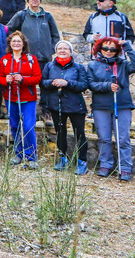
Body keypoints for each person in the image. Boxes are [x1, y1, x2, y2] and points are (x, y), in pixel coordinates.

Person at [86, 37, 135, 181]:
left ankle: (125, 167)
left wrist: (128, 47)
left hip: (122, 105)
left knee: (123, 138)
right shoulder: (93, 65)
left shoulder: (123, 64)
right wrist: (107, 86)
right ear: (100, 49)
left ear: (117, 51)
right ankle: (105, 164)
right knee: (104, 138)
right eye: (105, 48)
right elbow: (90, 84)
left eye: (113, 49)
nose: (109, 52)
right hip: (101, 106)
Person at [7, 0, 60, 127]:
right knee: (26, 84)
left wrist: (51, 48)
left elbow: (55, 36)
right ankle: (27, 112)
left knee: (45, 85)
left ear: (40, 0)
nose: (34, 0)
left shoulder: (47, 16)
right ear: (28, 0)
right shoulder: (22, 15)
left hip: (44, 58)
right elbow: (9, 30)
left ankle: (45, 112)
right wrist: (17, 47)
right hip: (27, 58)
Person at [41, 40, 90, 175]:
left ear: (70, 51)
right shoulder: (49, 66)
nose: (62, 51)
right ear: (56, 51)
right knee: (60, 133)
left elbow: (84, 85)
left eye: (66, 48)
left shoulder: (79, 67)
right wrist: (53, 83)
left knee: (79, 134)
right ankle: (63, 159)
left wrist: (67, 83)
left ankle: (82, 161)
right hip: (57, 106)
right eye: (60, 48)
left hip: (76, 106)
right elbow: (43, 83)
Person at [0, 31, 42, 168]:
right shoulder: (5, 60)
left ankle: (31, 156)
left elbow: (38, 78)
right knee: (15, 126)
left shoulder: (31, 59)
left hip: (28, 98)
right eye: (13, 41)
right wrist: (6, 80)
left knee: (28, 126)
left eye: (19, 41)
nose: (16, 43)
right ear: (10, 43)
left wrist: (24, 79)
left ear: (23, 44)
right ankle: (18, 154)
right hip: (11, 98)